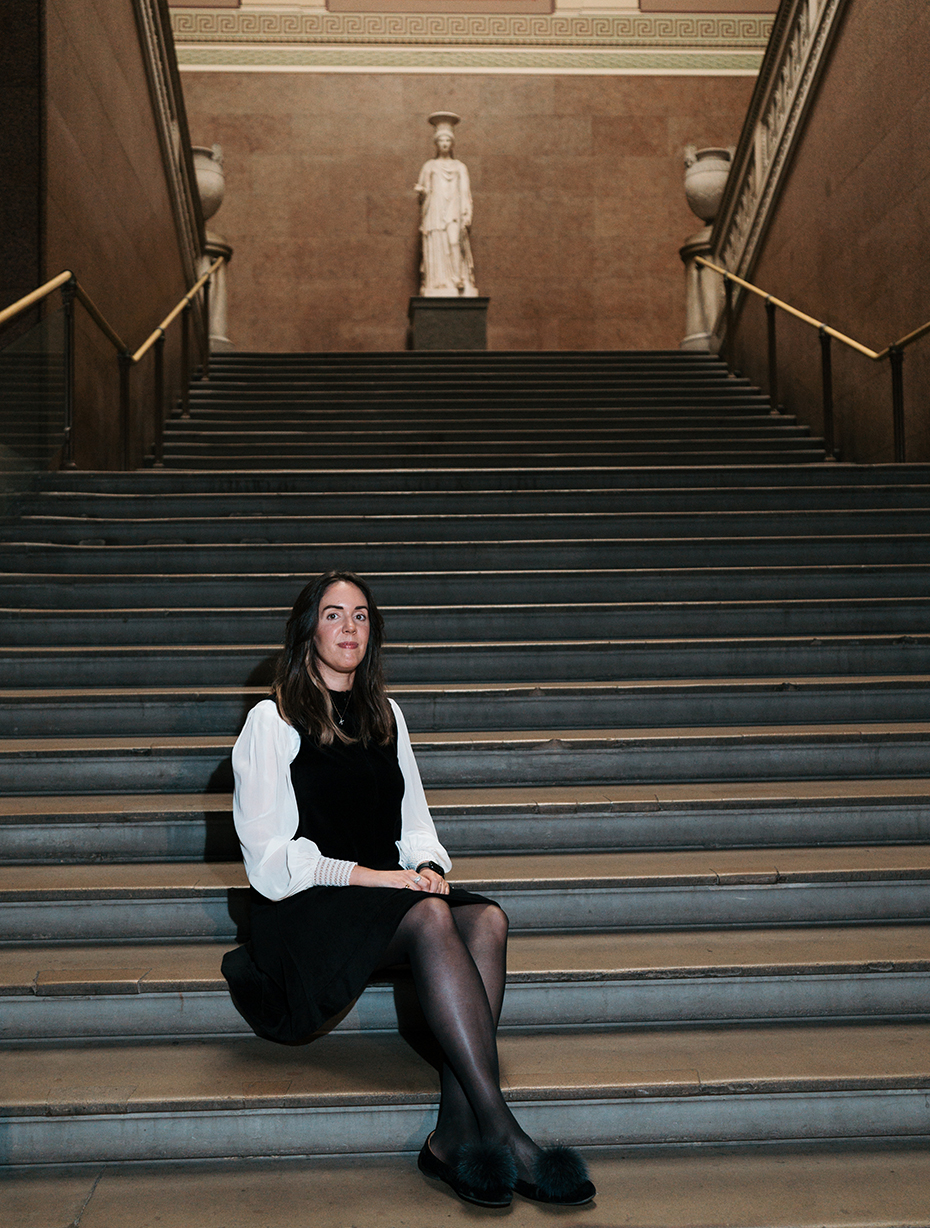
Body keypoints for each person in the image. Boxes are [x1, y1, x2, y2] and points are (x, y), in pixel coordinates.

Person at [221, 571, 595, 1208]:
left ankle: (451, 1136)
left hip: (384, 896)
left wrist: (425, 864)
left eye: (361, 616)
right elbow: (269, 858)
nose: (349, 628)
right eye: (334, 614)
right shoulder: (272, 719)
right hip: (305, 909)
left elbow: (415, 821)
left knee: (487, 919)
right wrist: (379, 878)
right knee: (428, 916)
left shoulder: (386, 715)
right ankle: (502, 1130)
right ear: (308, 630)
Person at [415, 115, 479, 297]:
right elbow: (423, 192)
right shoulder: (429, 166)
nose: (444, 143)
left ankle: (458, 278)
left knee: (454, 241)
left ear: (452, 144)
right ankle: (437, 281)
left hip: (453, 209)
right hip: (435, 210)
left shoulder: (460, 167)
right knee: (437, 243)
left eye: (448, 140)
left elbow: (465, 192)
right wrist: (422, 193)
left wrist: (467, 213)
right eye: (441, 140)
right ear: (436, 144)